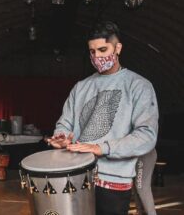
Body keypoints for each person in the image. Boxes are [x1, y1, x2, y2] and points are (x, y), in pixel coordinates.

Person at [46, 21, 159, 215]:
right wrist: (62, 136)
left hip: (113, 181)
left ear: (118, 48)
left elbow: (146, 136)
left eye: (102, 49)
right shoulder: (81, 87)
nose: (97, 56)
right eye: (92, 51)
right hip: (76, 177)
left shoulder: (139, 86)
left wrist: (102, 148)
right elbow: (65, 122)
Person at [134, 149, 157, 215]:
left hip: (144, 152)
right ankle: (139, 212)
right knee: (135, 187)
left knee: (142, 187)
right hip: (135, 153)